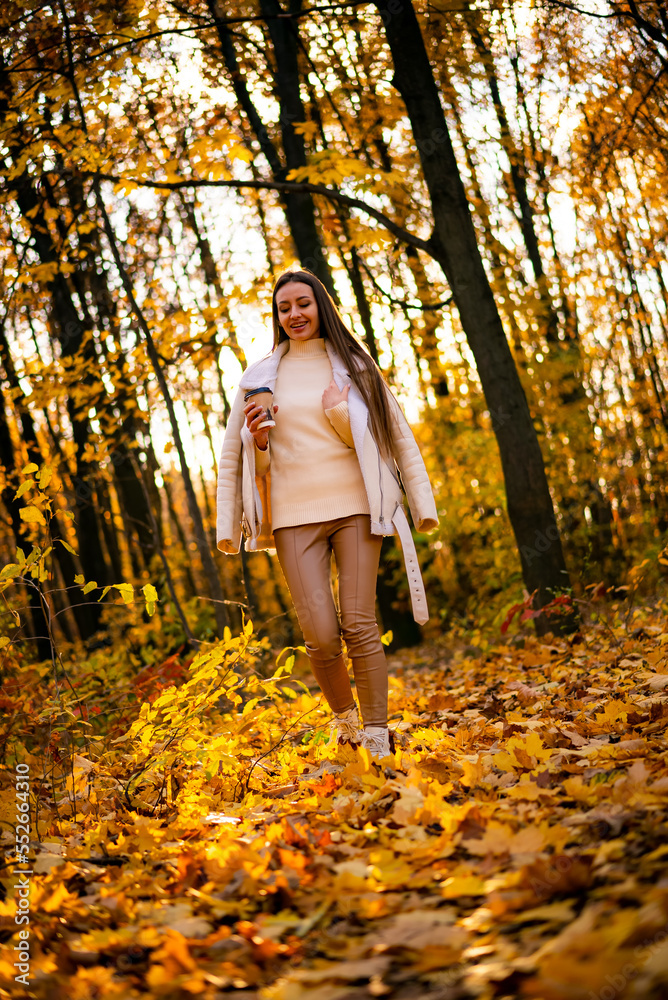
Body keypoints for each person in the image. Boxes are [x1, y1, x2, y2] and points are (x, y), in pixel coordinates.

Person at [216, 269, 439, 761]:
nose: (294, 314)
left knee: (359, 623)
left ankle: (378, 740)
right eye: (283, 308)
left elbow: (395, 435)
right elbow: (238, 460)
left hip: (357, 506)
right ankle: (347, 724)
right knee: (319, 634)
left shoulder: (356, 367)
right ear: (276, 317)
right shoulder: (257, 379)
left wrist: (422, 508)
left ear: (321, 306)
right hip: (293, 514)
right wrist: (260, 444)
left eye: (303, 303)